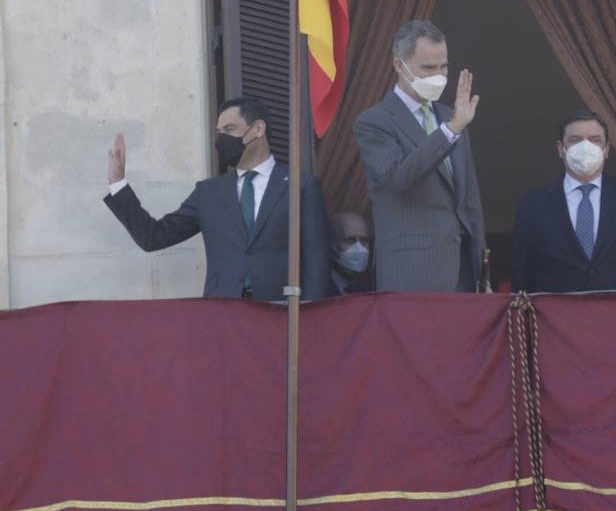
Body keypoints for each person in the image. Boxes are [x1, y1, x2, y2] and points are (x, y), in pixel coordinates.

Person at [104, 96, 331, 301]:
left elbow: (317, 257)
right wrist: (118, 184)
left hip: (282, 311)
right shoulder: (208, 193)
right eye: (219, 133)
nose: (222, 139)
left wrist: (310, 314)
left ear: (258, 129)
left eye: (229, 129)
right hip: (223, 311)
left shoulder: (301, 185)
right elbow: (153, 237)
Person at [353, 20, 485, 292]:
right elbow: (400, 177)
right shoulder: (374, 121)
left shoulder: (451, 116)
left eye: (443, 66)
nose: (439, 75)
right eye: (428, 68)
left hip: (462, 271)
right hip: (412, 272)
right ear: (400, 66)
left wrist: (482, 271)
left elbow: (469, 199)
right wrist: (451, 130)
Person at [511, 110, 616, 293]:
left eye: (595, 140)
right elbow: (522, 276)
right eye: (575, 140)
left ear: (606, 149)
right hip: (557, 309)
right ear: (560, 149)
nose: (585, 147)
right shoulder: (533, 205)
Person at [328, 211, 371, 296]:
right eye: (350, 240)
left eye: (364, 241)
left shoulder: (368, 287)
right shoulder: (316, 287)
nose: (359, 249)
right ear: (332, 243)